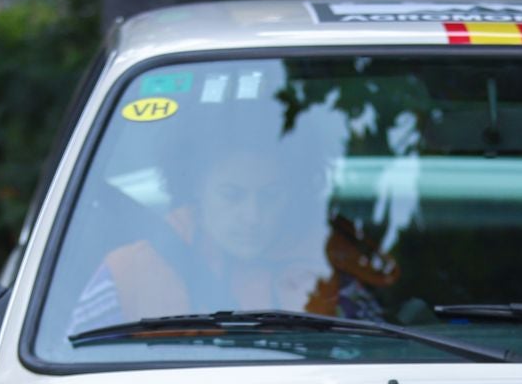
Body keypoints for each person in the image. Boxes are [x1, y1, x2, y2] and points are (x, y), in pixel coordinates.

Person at [68, 94, 396, 334]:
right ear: (196, 188)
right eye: (231, 195)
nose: (252, 216)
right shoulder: (127, 275)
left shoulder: (332, 272)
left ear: (293, 193)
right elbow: (70, 372)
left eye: (270, 196)